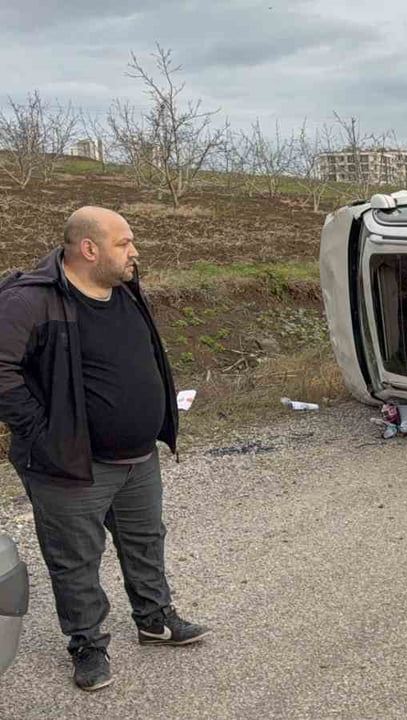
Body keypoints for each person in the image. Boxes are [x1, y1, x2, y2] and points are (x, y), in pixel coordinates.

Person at [0, 207, 209, 692]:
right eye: (124, 243)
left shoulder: (125, 290)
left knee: (145, 540)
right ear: (89, 249)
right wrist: (43, 431)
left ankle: (154, 620)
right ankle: (88, 644)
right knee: (75, 559)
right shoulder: (30, 300)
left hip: (138, 458)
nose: (134, 252)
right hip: (70, 466)